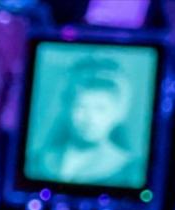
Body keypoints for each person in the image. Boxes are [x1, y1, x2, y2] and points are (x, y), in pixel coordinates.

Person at [31, 53, 143, 187]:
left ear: (118, 113)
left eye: (100, 109)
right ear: (67, 108)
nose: (89, 118)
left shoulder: (131, 172)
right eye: (81, 106)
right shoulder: (38, 162)